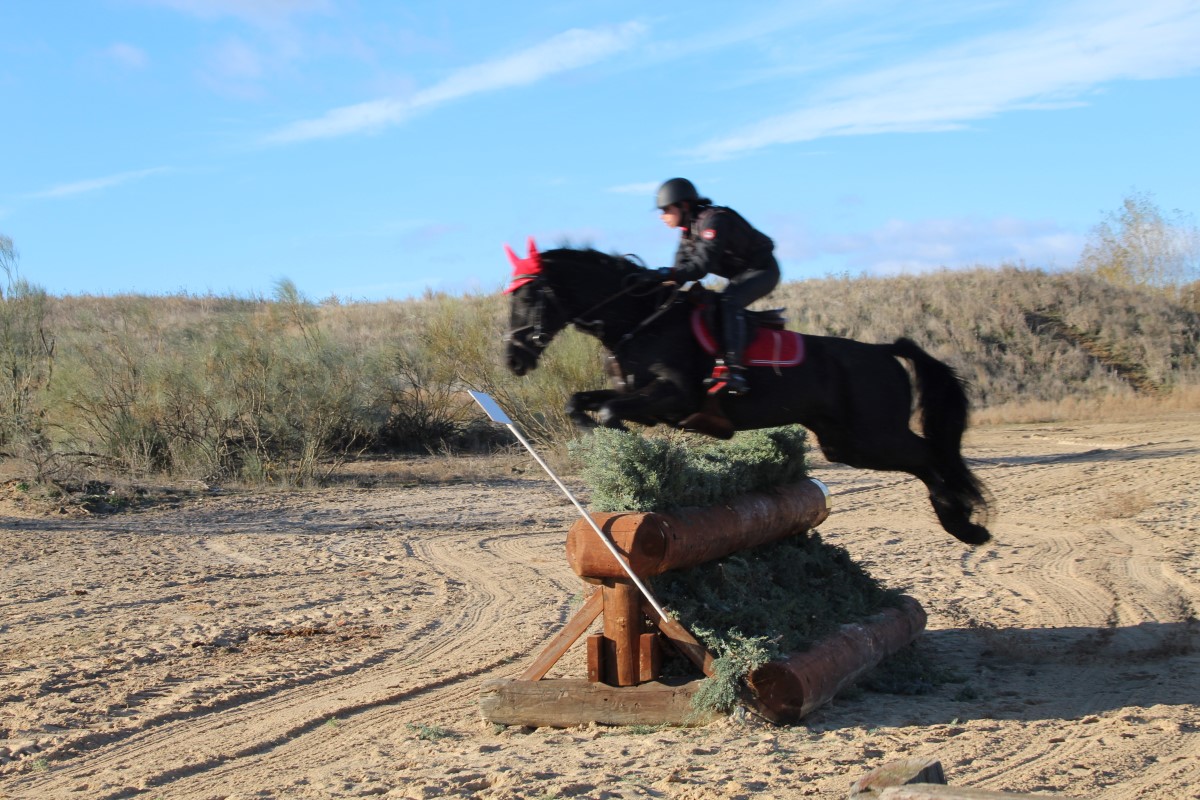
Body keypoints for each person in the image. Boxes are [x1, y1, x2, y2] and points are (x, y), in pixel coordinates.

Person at [648, 177, 780, 396]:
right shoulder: (688, 233)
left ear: (684, 205)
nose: (662, 216)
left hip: (764, 271)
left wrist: (668, 274)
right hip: (741, 275)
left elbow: (701, 266)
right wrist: (654, 281)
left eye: (666, 210)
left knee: (729, 300)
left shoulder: (714, 221)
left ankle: (734, 371)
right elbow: (679, 272)